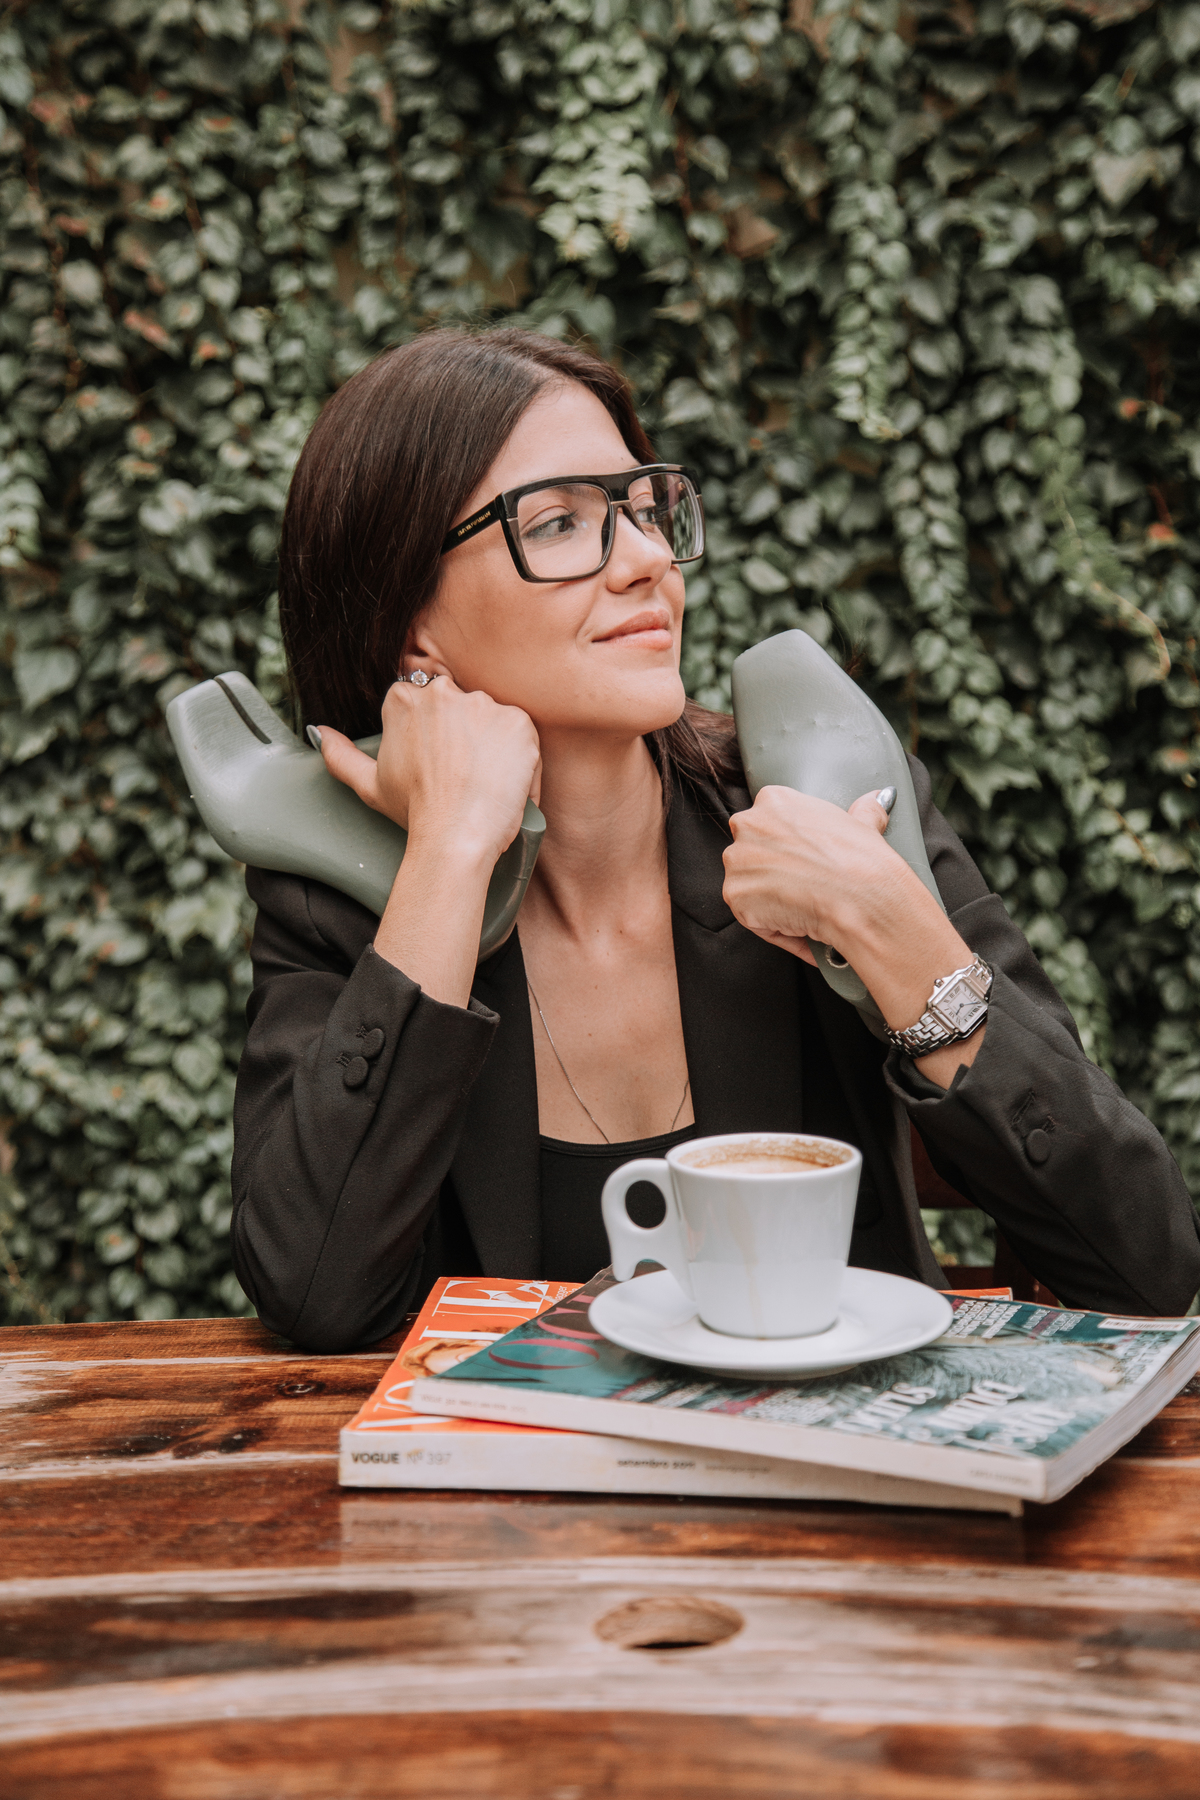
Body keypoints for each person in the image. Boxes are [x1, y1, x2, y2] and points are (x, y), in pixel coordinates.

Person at [231, 327, 1200, 1352]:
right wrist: (449, 857)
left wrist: (901, 947)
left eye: (646, 510)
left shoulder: (821, 806)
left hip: (830, 1483)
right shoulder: (345, 890)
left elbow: (1142, 1268)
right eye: (560, 522)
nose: (649, 560)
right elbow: (317, 1297)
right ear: (411, 617)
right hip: (512, 1503)